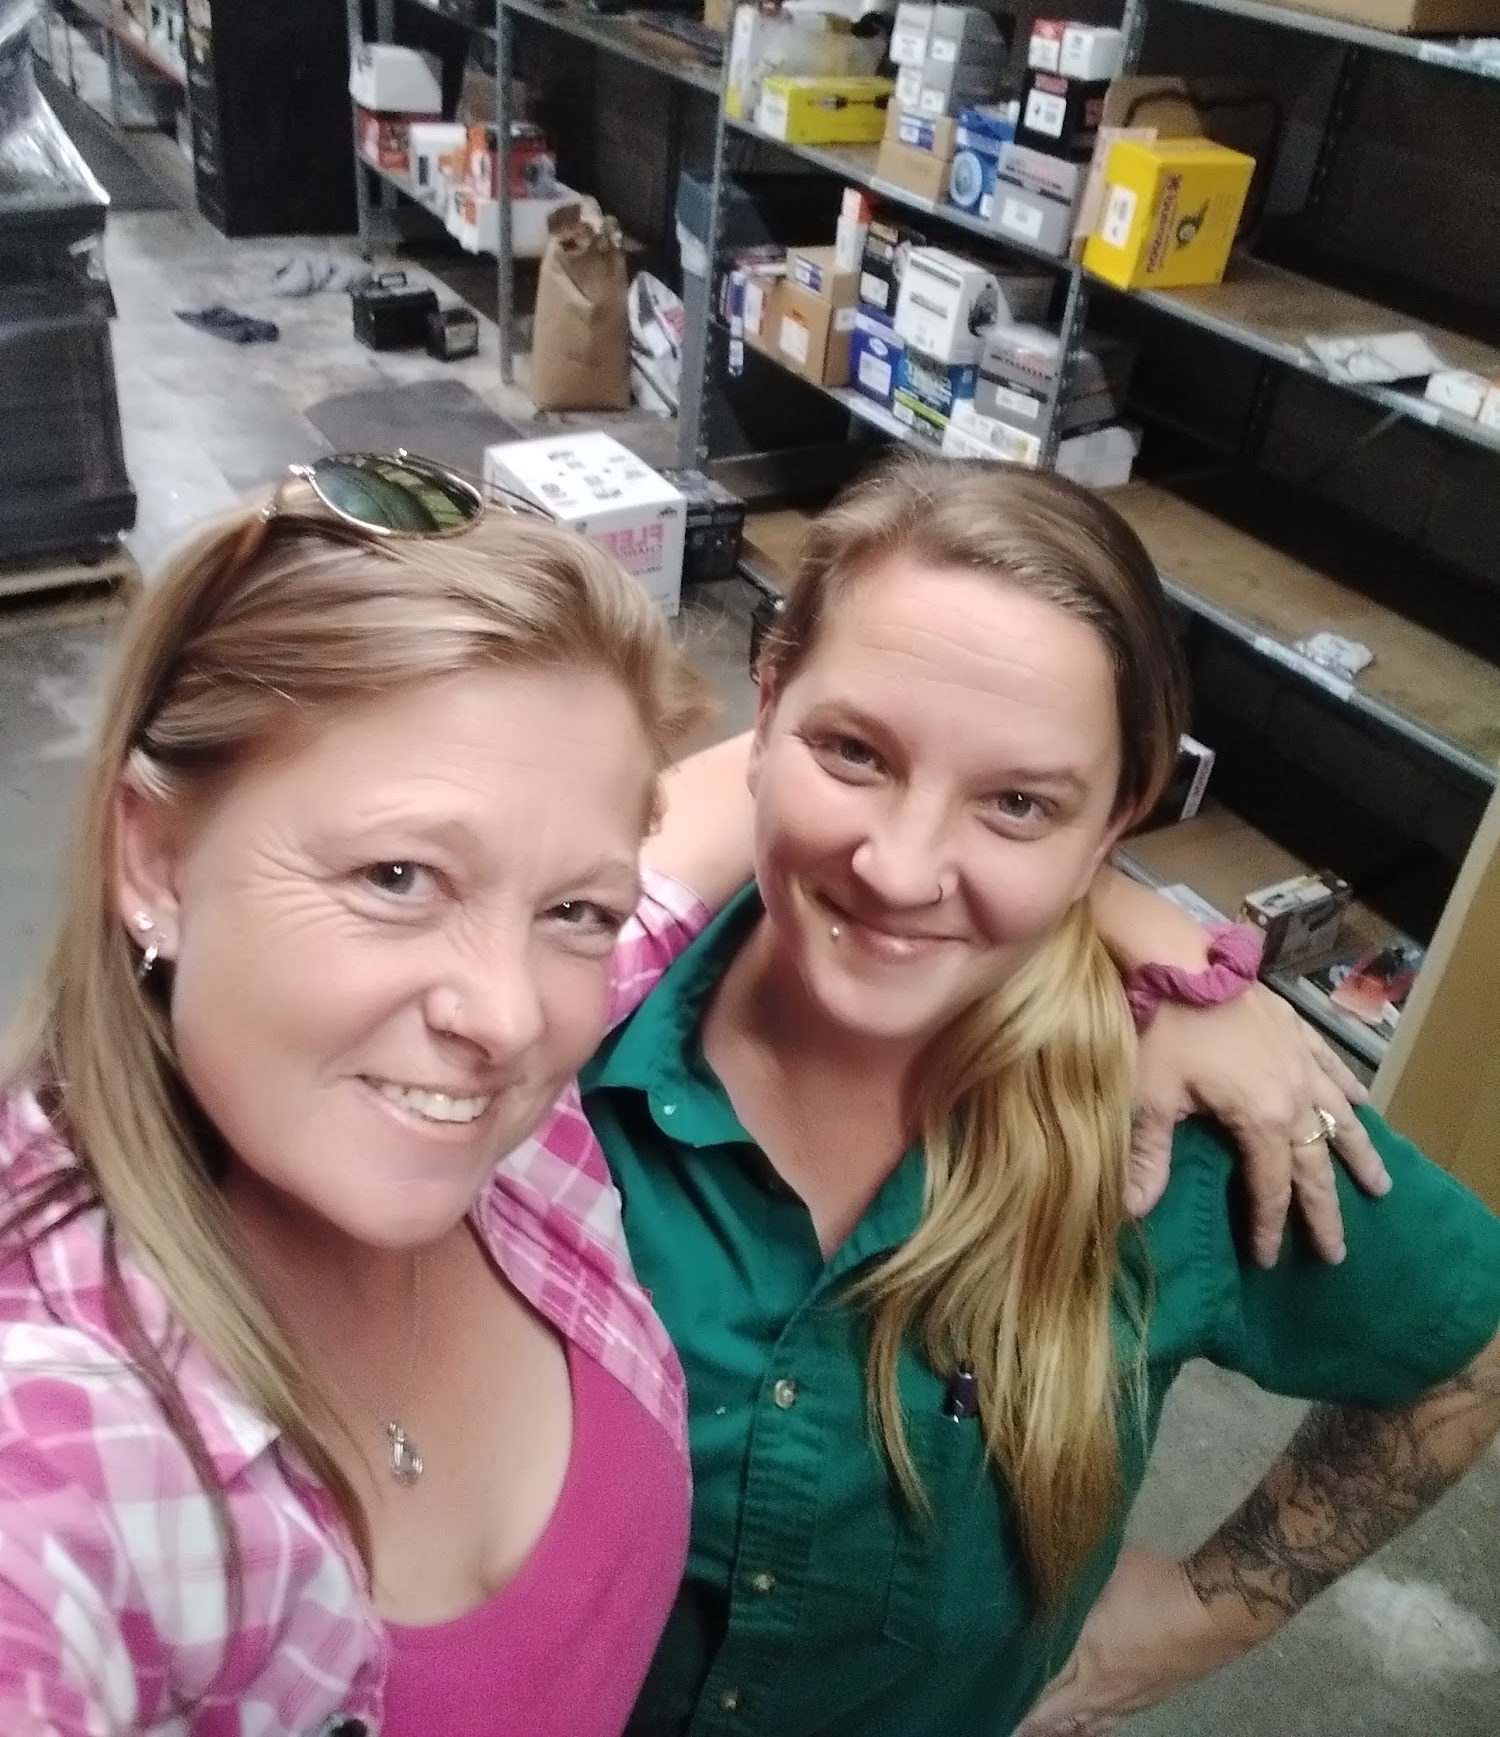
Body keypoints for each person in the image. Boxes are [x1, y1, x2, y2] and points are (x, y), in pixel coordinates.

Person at [0, 448, 1408, 1735]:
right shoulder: (68, 1447)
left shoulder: (544, 1102)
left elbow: (890, 742)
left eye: (575, 905)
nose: (503, 1018)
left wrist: (1156, 937)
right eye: (395, 875)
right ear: (153, 858)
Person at [578, 454, 1500, 1737]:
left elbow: (1469, 1347)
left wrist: (1200, 1612)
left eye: (1017, 803)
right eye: (854, 750)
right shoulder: (560, 1028)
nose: (901, 868)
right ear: (768, 704)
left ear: (1112, 822)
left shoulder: (1181, 1128)